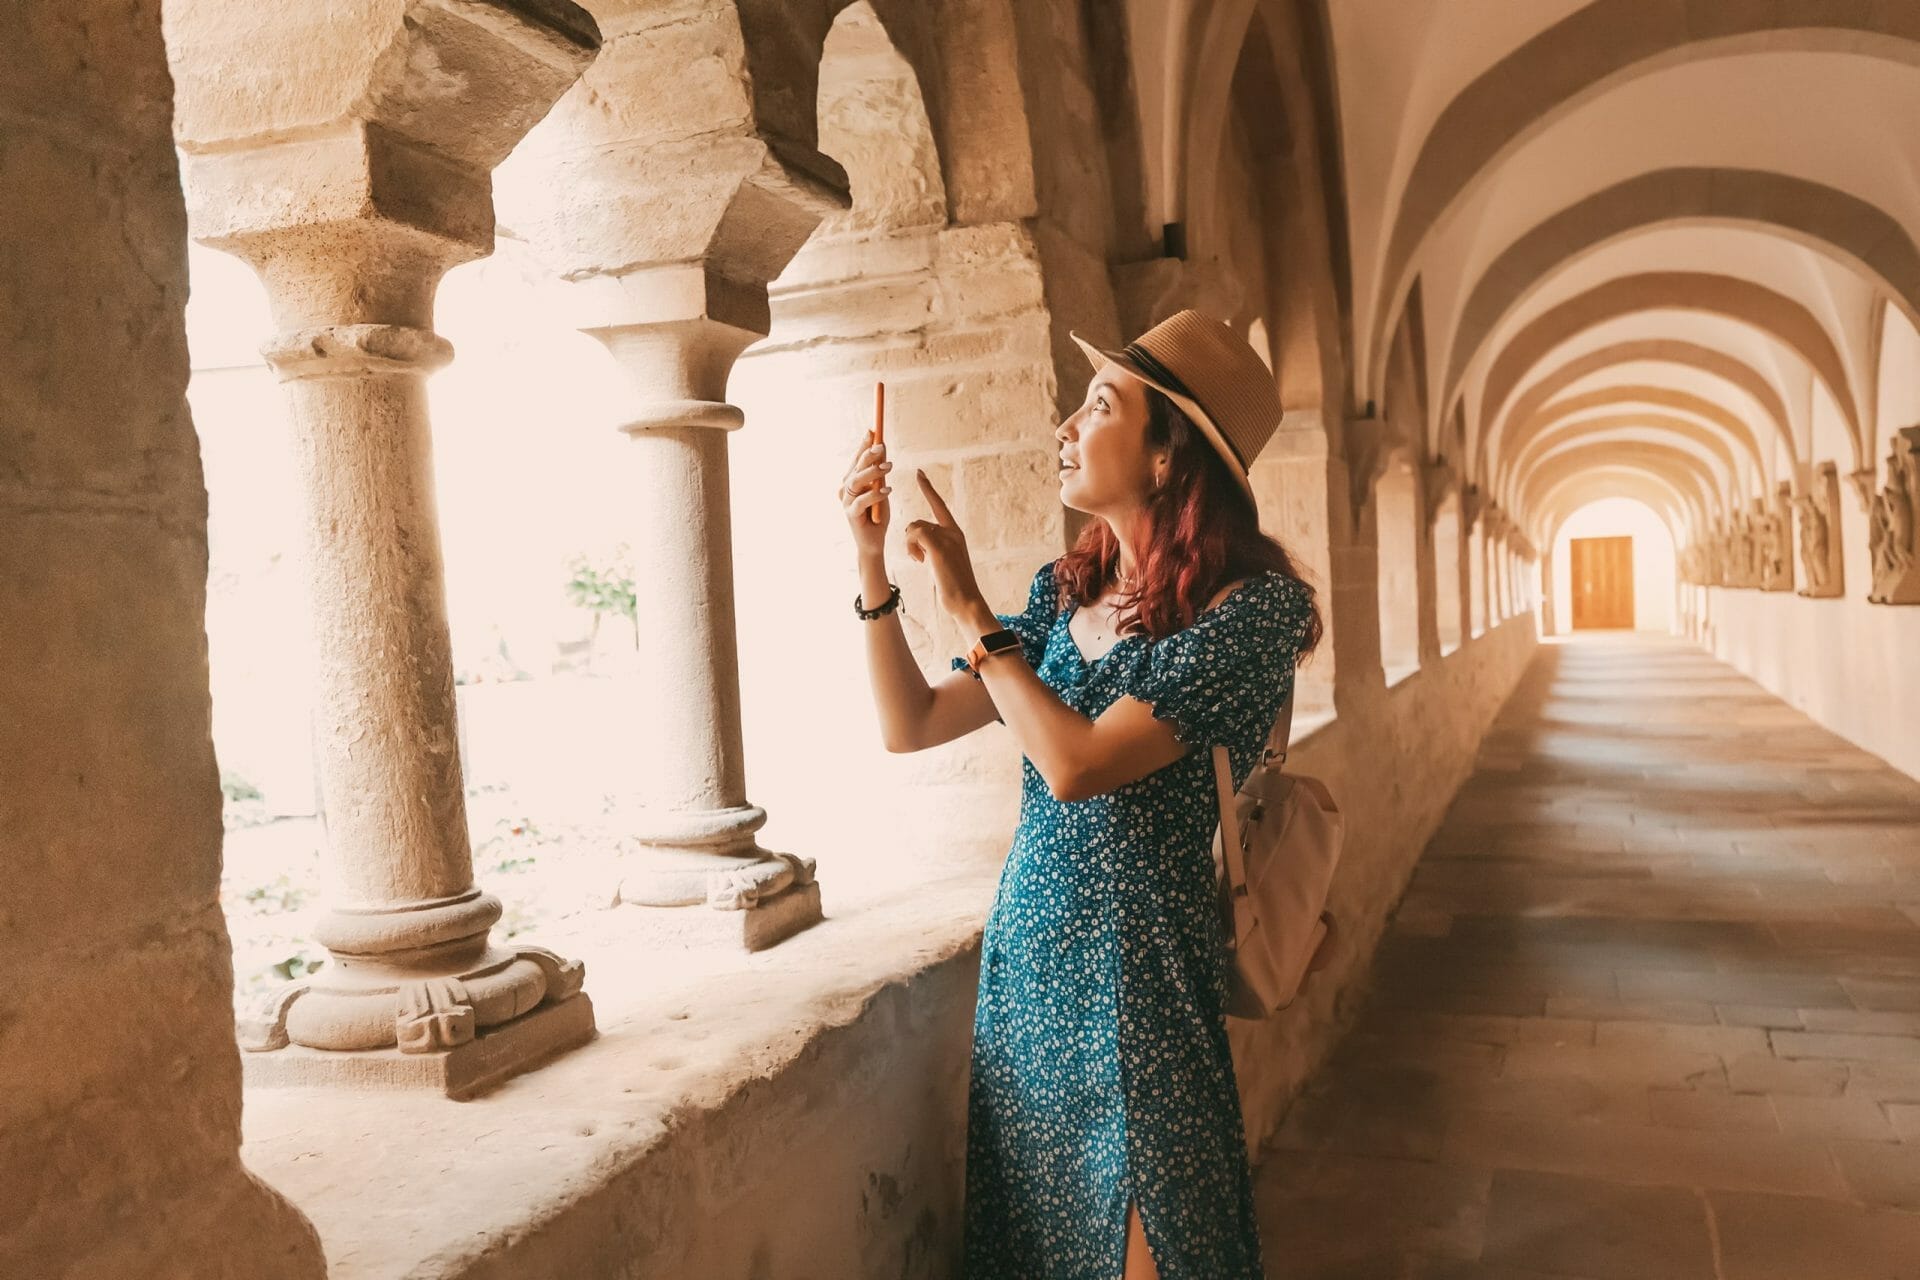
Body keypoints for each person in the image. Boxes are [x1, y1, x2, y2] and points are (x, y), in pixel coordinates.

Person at [838, 309, 1324, 1279]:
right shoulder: (1063, 593)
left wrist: (974, 612)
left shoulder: (1254, 613)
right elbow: (912, 723)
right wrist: (873, 569)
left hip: (1145, 988)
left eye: (1100, 404)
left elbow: (1078, 762)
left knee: (1163, 1247)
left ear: (1166, 459)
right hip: (1029, 981)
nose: (1066, 425)